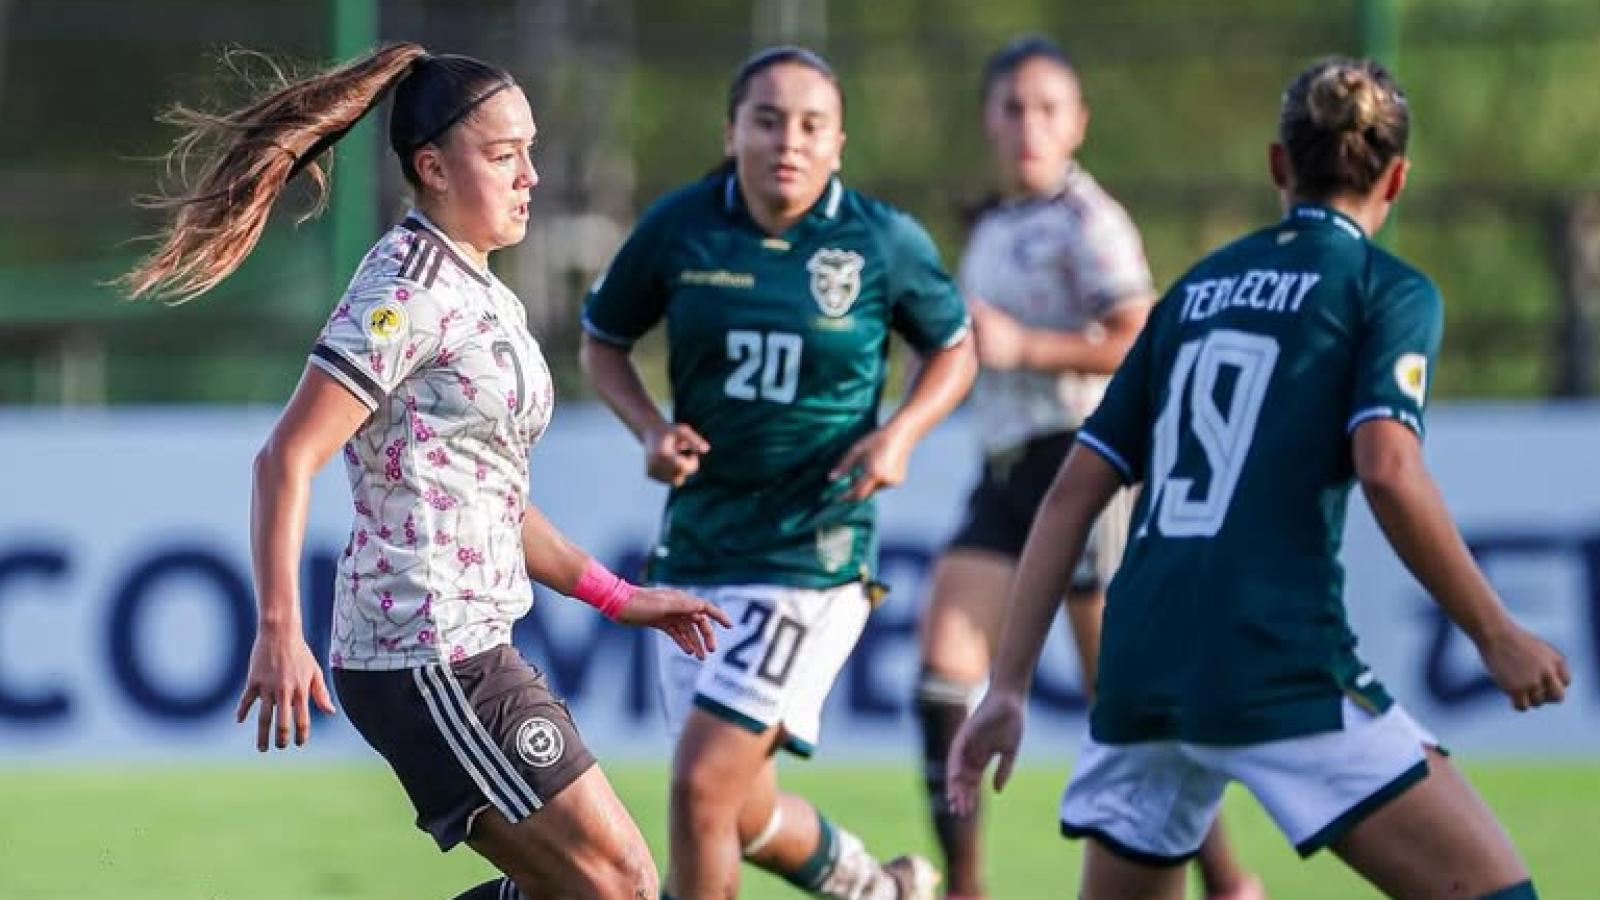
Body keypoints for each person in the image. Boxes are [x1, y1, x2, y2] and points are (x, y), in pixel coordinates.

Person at [948, 56, 1573, 900]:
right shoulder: (1383, 290)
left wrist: (1010, 685)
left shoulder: (1194, 290)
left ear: (1279, 164)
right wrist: (1497, 633)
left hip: (1144, 670)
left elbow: (1071, 493)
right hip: (1272, 662)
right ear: (1397, 177)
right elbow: (1388, 470)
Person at [121, 43, 731, 900]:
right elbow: (287, 457)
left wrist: (620, 599)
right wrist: (278, 629)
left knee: (585, 888)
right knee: (621, 883)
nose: (532, 176)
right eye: (503, 154)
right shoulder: (402, 290)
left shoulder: (484, 293)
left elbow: (496, 501)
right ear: (433, 167)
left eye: (530, 150)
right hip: (426, 650)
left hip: (468, 644)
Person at [581, 45, 976, 900]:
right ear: (732, 132)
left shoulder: (879, 240)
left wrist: (903, 431)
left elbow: (953, 347)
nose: (786, 141)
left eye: (810, 125)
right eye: (766, 121)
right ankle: (881, 890)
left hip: (813, 553)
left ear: (838, 143)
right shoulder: (682, 228)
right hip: (696, 551)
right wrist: (649, 428)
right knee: (736, 804)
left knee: (698, 788)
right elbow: (602, 342)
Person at [914, 36, 1262, 900]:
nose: (1028, 124)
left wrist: (1025, 345)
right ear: (988, 119)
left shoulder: (1088, 220)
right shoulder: (993, 223)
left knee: (1128, 691)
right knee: (940, 668)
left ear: (1077, 124)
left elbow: (1141, 334)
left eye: (1047, 108)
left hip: (1083, 464)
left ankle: (1227, 880)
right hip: (1003, 471)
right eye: (1012, 107)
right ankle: (967, 887)